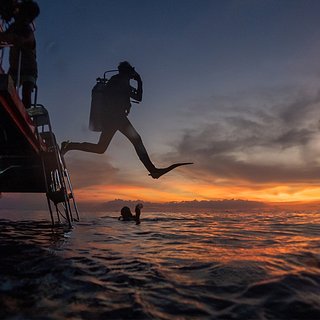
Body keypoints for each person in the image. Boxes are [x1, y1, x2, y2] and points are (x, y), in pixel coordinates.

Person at [61, 61, 192, 179]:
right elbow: (137, 97)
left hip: (112, 119)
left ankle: (69, 145)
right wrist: (139, 80)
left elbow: (133, 97)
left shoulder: (118, 81)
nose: (132, 75)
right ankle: (153, 170)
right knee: (137, 140)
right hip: (116, 118)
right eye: (131, 72)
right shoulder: (120, 80)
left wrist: (131, 94)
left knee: (101, 148)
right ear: (127, 72)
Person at [0, 0, 40, 109]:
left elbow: (25, 40)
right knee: (7, 88)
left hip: (29, 69)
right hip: (14, 68)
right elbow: (4, 36)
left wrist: (10, 38)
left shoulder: (27, 30)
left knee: (26, 95)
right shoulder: (14, 26)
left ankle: (25, 113)